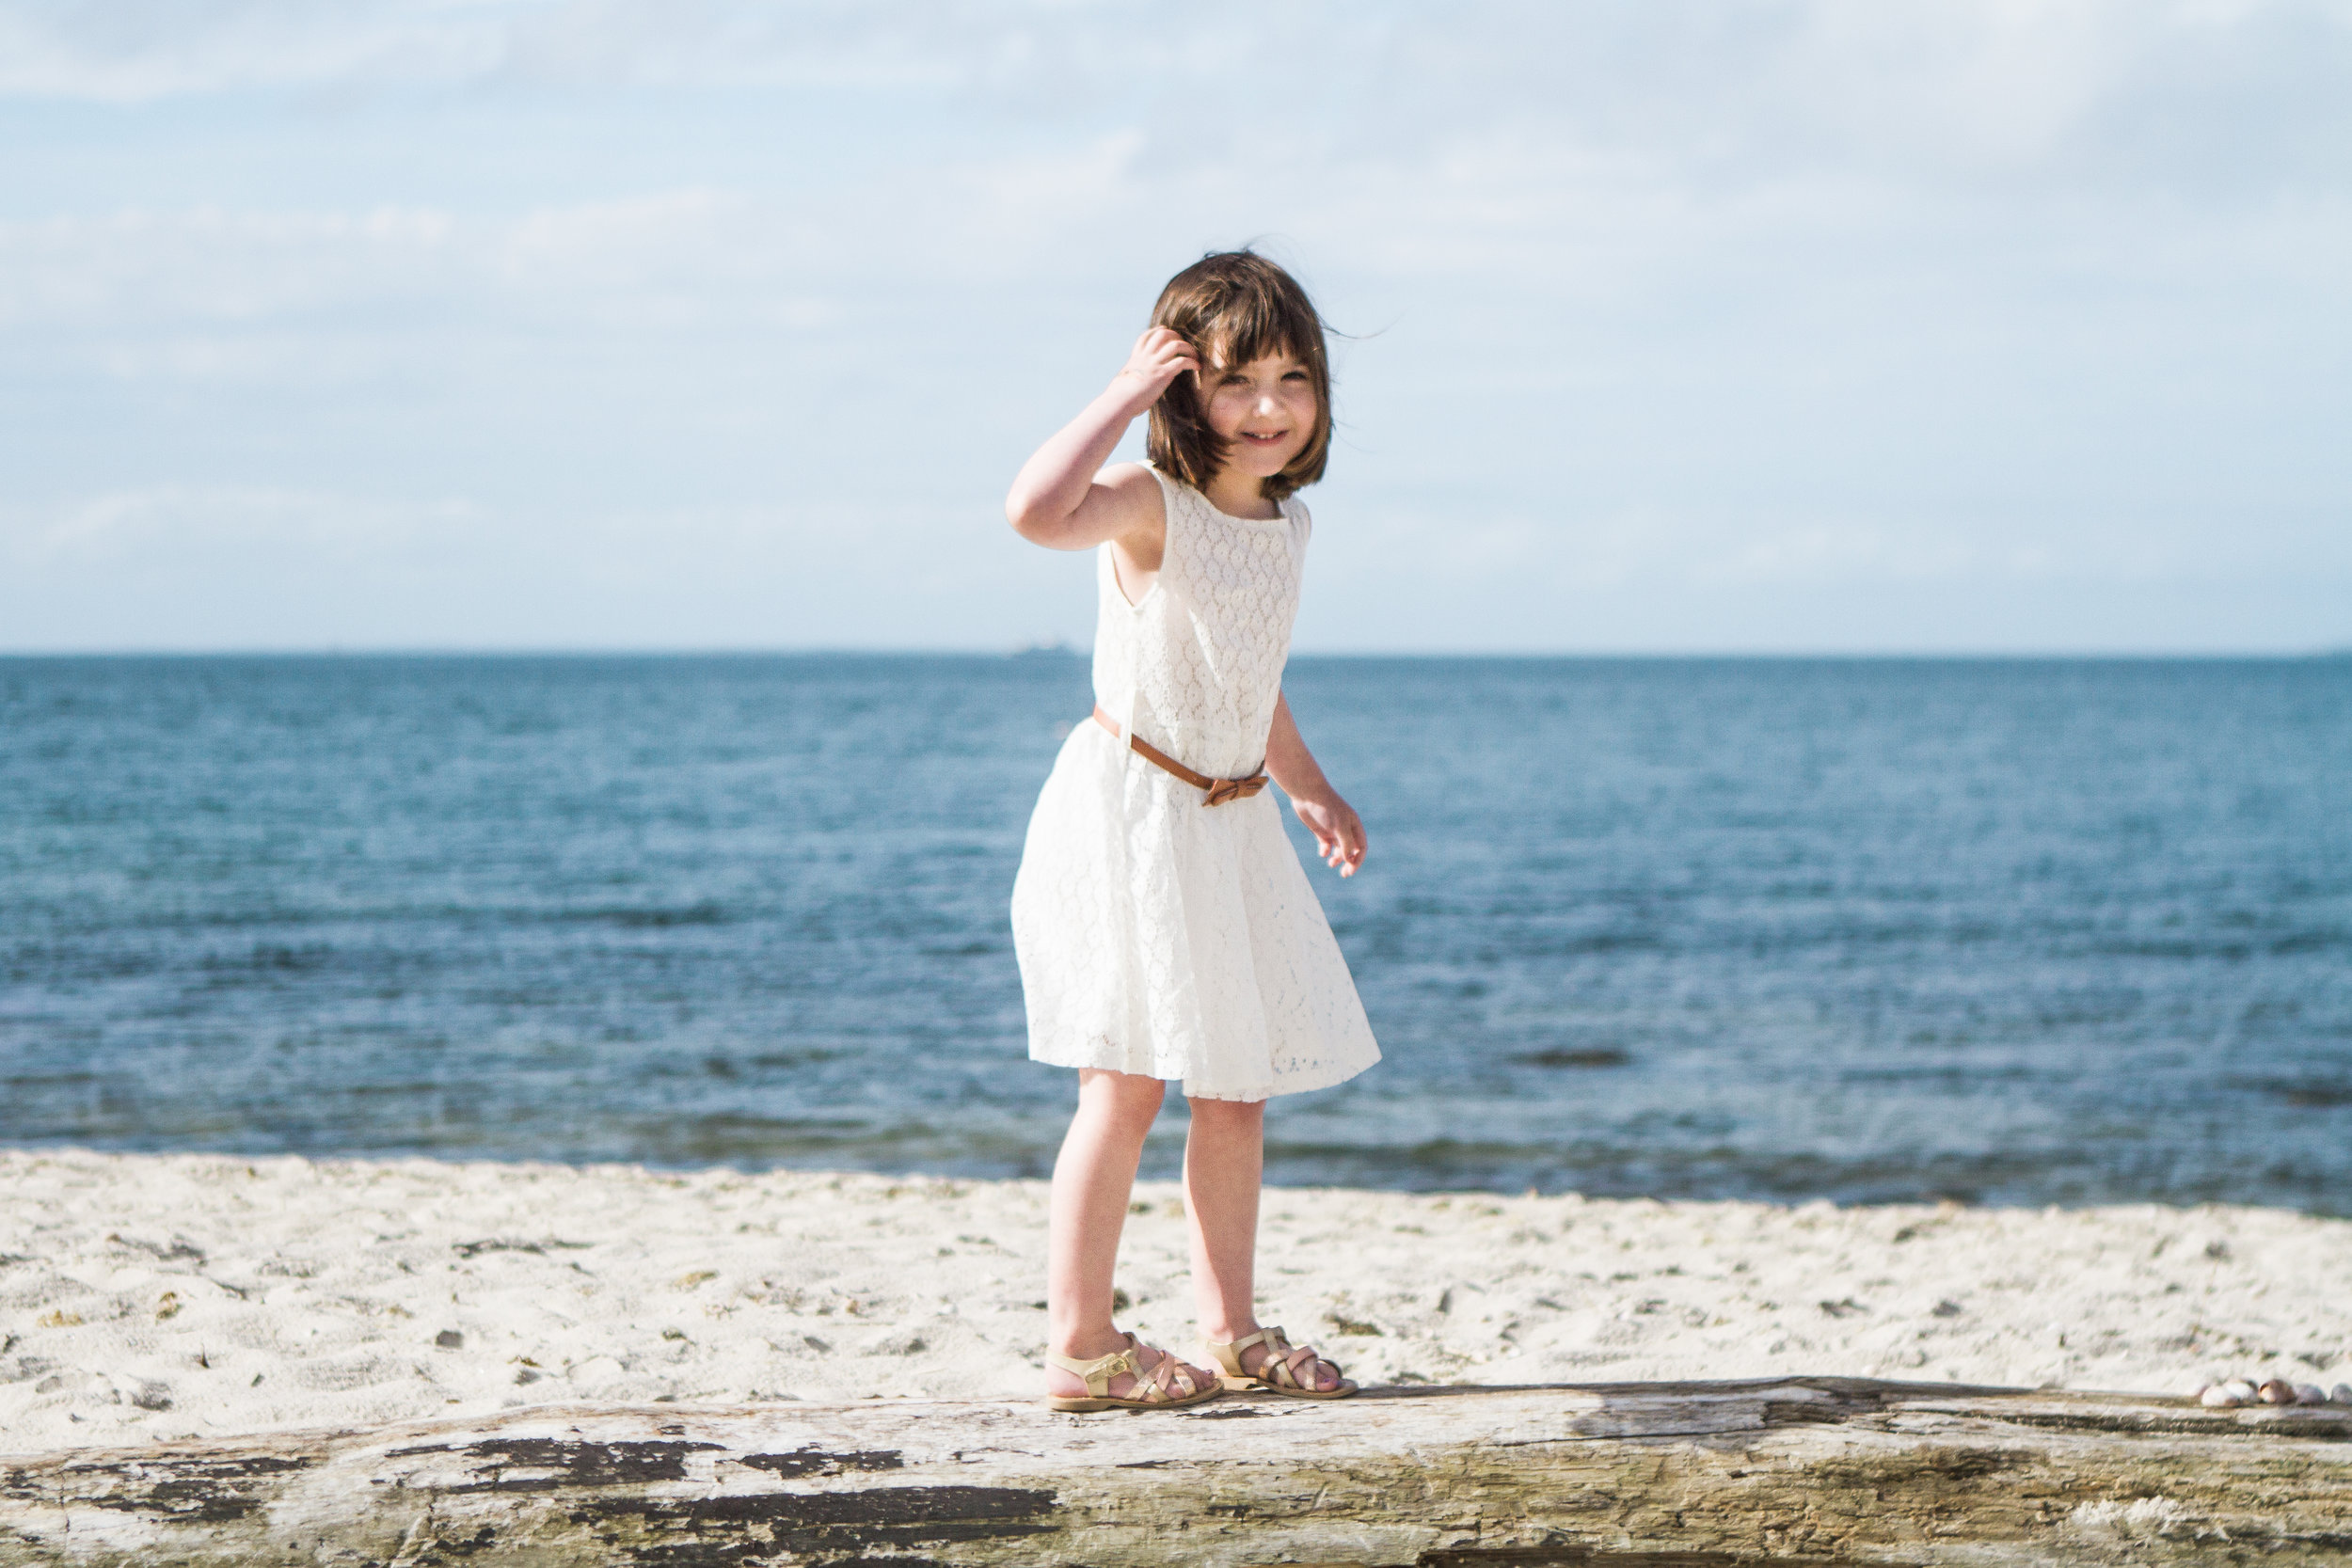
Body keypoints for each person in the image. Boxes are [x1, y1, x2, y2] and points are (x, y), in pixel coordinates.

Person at [1004, 251, 1382, 1412]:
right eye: (1235, 381)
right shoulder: (1147, 508)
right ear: (1183, 387)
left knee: (1236, 1085)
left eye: (1291, 378)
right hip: (1133, 812)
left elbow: (1250, 675)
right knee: (1121, 1083)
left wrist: (1308, 784)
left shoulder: (1287, 523)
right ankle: (1080, 1341)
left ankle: (1231, 1327)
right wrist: (1119, 393)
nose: (1267, 407)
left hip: (1231, 818)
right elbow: (1031, 511)